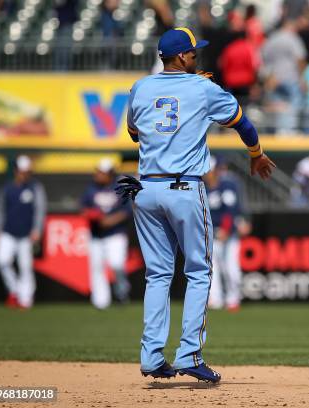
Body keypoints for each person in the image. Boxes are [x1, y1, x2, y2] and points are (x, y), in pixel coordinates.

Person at [124, 27, 275, 383]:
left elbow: (134, 132)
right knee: (199, 271)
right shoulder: (204, 88)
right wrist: (256, 155)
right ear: (180, 57)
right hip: (184, 188)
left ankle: (151, 355)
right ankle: (190, 352)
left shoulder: (141, 87)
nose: (197, 57)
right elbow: (243, 122)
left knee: (158, 274)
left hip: (146, 188)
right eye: (193, 54)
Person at [0, 155, 46, 309]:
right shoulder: (7, 188)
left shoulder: (35, 188)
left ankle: (26, 299)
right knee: (1, 260)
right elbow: (0, 210)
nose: (25, 174)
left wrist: (37, 229)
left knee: (25, 267)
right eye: (22, 171)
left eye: (27, 171)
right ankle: (14, 290)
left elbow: (39, 210)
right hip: (8, 232)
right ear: (16, 171)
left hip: (26, 235)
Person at [81, 158, 132, 309]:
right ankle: (100, 301)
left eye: (101, 173)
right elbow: (83, 207)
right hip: (96, 234)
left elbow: (128, 210)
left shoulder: (120, 187)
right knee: (97, 268)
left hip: (116, 233)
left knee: (117, 265)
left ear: (109, 174)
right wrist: (92, 215)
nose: (98, 175)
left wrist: (110, 220)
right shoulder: (91, 188)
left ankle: (122, 293)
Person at [206, 156, 250, 312]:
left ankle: (233, 298)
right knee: (212, 269)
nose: (206, 173)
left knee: (231, 268)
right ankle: (215, 299)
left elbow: (231, 212)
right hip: (211, 234)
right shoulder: (201, 187)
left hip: (228, 234)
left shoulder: (227, 186)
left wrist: (227, 229)